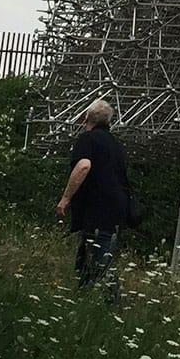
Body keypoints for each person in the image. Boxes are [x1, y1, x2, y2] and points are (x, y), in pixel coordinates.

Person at [56, 99, 132, 298]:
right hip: (117, 208)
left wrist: (65, 198)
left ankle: (112, 304)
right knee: (87, 256)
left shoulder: (88, 139)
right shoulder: (116, 144)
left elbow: (83, 166)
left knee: (101, 258)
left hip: (98, 209)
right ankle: (82, 296)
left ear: (86, 118)